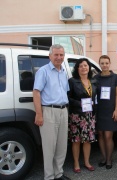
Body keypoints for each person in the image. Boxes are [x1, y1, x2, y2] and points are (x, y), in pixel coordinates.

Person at [33, 44, 71, 180]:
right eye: (56, 55)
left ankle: (58, 174)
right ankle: (49, 176)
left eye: (61, 55)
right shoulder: (43, 71)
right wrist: (39, 114)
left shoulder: (63, 72)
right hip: (49, 111)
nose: (59, 57)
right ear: (50, 56)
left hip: (63, 111)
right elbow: (36, 92)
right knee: (49, 147)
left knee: (62, 145)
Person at [68, 58, 97, 173]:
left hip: (89, 115)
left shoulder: (93, 81)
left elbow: (96, 97)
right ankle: (76, 163)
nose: (84, 68)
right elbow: (68, 98)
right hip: (76, 115)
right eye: (81, 66)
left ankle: (87, 162)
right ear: (77, 68)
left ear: (89, 67)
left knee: (87, 140)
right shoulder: (72, 81)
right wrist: (79, 103)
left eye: (86, 65)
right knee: (76, 140)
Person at [95, 55, 117, 169]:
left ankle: (109, 159)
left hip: (110, 110)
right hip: (99, 110)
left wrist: (116, 110)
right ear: (99, 64)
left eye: (106, 63)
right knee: (100, 134)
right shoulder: (95, 78)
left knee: (108, 135)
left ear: (110, 64)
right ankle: (104, 157)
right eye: (102, 63)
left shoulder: (115, 77)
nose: (104, 65)